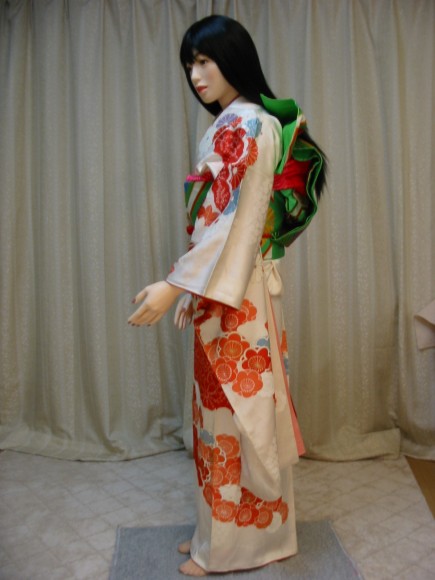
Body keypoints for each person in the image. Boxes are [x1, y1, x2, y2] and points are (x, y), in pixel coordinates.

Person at [128, 15, 326, 577]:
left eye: (204, 61)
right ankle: (213, 535)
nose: (195, 74)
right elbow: (216, 222)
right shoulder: (233, 122)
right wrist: (191, 287)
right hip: (224, 289)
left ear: (233, 59)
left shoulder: (250, 124)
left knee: (239, 418)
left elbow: (236, 222)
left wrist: (175, 283)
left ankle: (235, 548)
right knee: (215, 418)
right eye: (189, 64)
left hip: (239, 298)